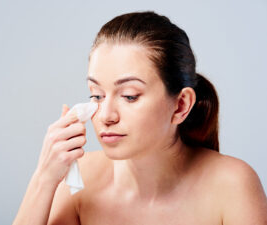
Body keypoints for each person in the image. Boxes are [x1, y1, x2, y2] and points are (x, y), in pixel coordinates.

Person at [13, 11, 267, 225]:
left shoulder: (232, 186)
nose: (106, 116)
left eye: (130, 96)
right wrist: (44, 179)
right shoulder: (79, 182)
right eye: (97, 95)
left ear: (180, 105)